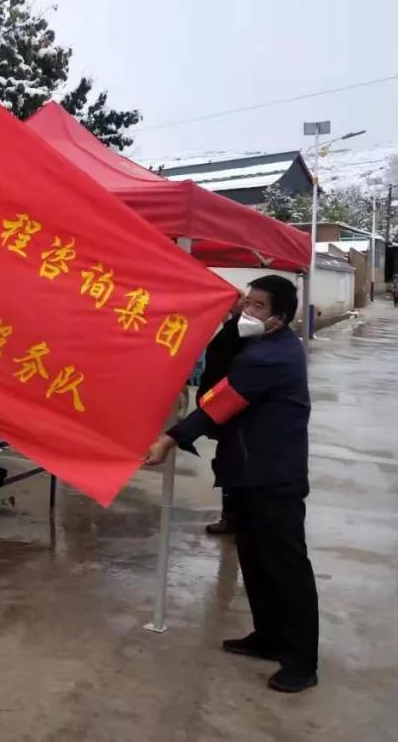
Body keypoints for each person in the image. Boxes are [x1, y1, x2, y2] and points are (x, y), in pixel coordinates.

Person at [145, 275, 318, 693]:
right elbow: (220, 363)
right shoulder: (259, 345)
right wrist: (228, 318)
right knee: (254, 560)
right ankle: (268, 636)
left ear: (279, 317)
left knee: (286, 568)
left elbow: (219, 403)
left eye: (258, 306)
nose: (247, 311)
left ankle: (301, 662)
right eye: (246, 302)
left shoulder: (272, 356)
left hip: (273, 477)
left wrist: (170, 439)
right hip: (247, 472)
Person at [200, 295, 246, 536]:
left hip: (232, 406)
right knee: (228, 459)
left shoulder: (241, 329)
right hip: (224, 405)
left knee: (231, 461)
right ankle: (233, 515)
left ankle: (234, 517)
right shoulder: (233, 326)